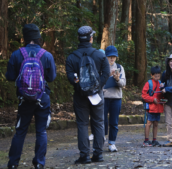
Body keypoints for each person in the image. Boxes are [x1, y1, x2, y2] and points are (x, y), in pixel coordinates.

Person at [6, 24, 57, 169]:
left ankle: (13, 163)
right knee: (41, 131)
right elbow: (52, 77)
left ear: (25, 38)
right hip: (42, 98)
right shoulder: (46, 55)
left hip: (24, 98)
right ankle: (39, 163)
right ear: (38, 37)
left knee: (21, 131)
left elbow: (10, 77)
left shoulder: (17, 54)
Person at [66, 26, 110, 164]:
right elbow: (106, 73)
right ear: (91, 38)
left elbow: (70, 77)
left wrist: (81, 88)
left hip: (80, 96)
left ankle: (84, 156)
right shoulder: (100, 55)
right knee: (98, 123)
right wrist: (97, 88)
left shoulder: (72, 57)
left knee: (82, 124)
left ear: (78, 38)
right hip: (97, 95)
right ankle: (98, 154)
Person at [103, 45, 126, 152]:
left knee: (114, 122)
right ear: (106, 56)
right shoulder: (102, 67)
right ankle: (101, 139)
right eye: (109, 56)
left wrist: (117, 79)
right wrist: (108, 75)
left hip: (116, 98)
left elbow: (123, 83)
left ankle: (112, 142)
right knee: (102, 120)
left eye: (114, 57)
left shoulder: (120, 68)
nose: (112, 59)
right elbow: (98, 82)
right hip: (104, 98)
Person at [141, 66, 164, 147]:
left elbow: (162, 95)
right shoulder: (149, 83)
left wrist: (164, 97)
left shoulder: (161, 83)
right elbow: (144, 95)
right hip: (151, 108)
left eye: (158, 76)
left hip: (158, 107)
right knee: (149, 123)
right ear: (152, 75)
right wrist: (152, 99)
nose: (157, 77)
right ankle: (146, 140)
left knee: (156, 123)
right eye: (155, 76)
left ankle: (154, 140)